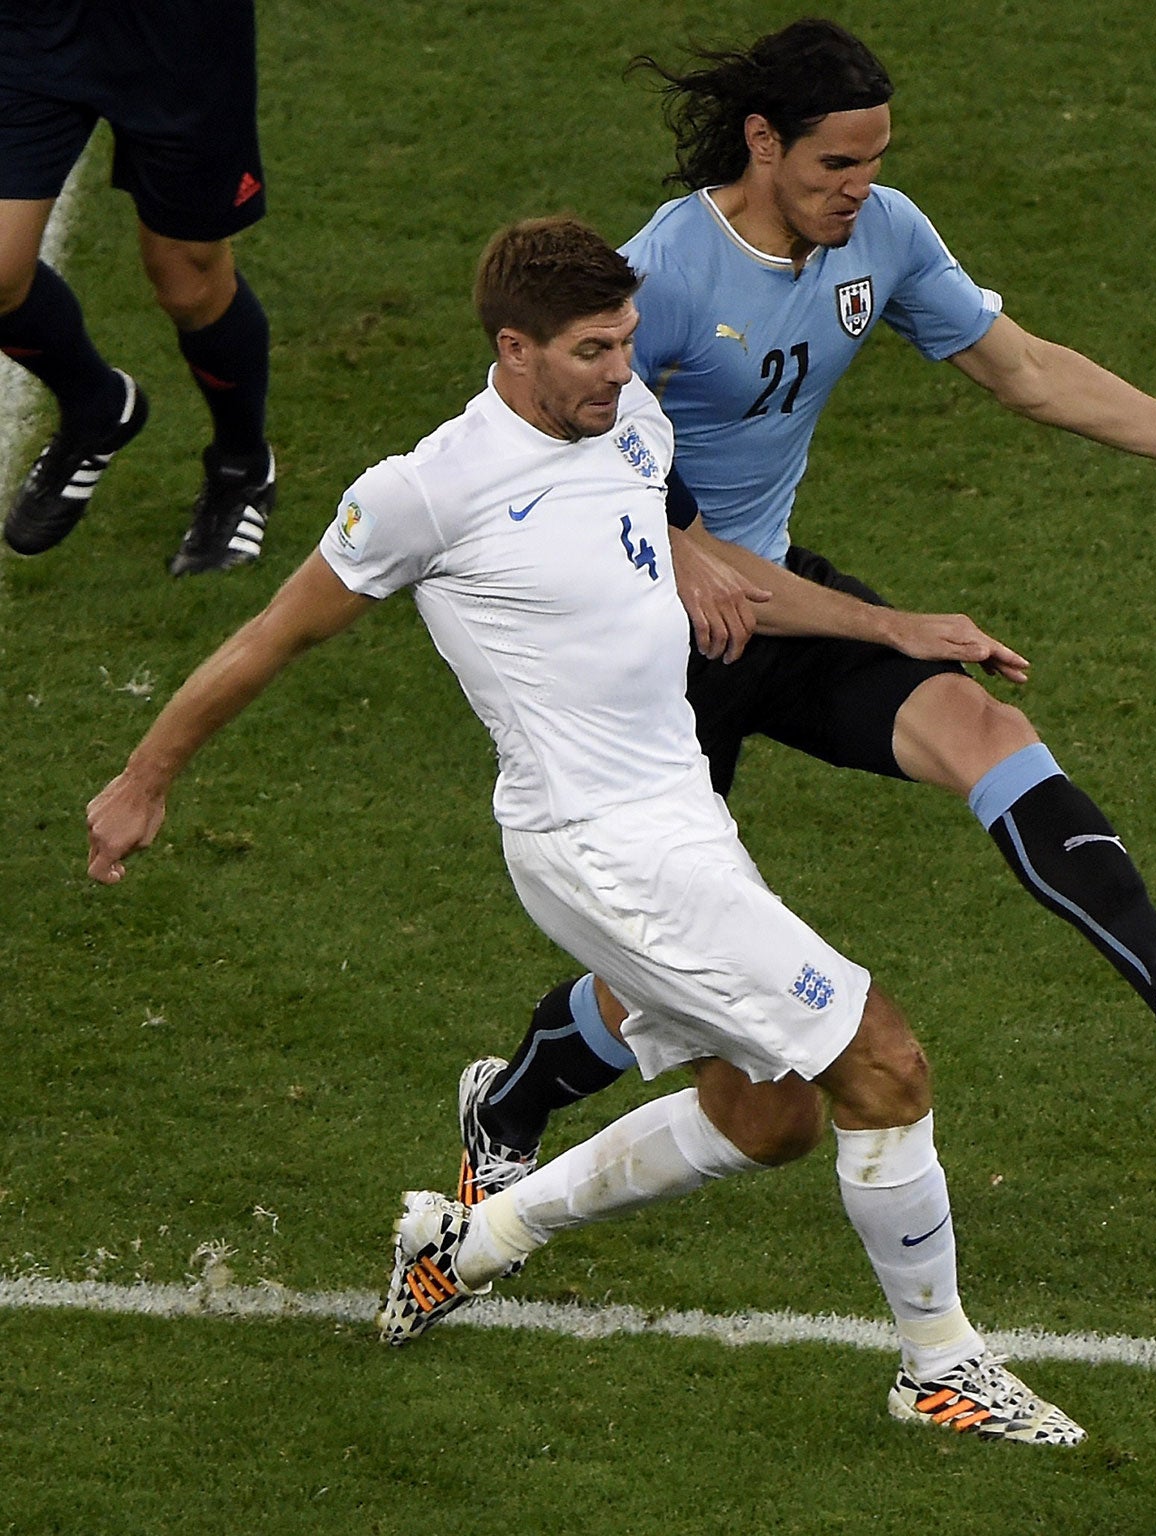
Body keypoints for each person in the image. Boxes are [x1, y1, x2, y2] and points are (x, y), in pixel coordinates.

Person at [86, 215, 1082, 1445]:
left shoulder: (629, 424)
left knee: (770, 1114)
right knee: (884, 1061)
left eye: (626, 342)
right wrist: (145, 778)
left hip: (678, 819)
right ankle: (937, 1366)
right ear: (514, 348)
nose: (625, 368)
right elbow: (269, 638)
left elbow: (712, 561)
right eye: (595, 349)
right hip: (599, 846)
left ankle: (473, 1242)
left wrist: (892, 627)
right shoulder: (426, 492)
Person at [458, 18, 1156, 1203]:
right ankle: (507, 1103)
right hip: (648, 654)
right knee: (678, 989)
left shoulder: (884, 235)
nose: (858, 192)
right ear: (762, 143)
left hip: (780, 603)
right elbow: (550, 441)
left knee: (982, 732)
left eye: (872, 164)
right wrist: (678, 547)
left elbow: (1024, 370)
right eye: (833, 169)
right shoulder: (657, 276)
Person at [0, 0, 275, 574]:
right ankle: (96, 406)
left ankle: (241, 465)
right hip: (29, 24)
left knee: (188, 279)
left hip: (175, 33)